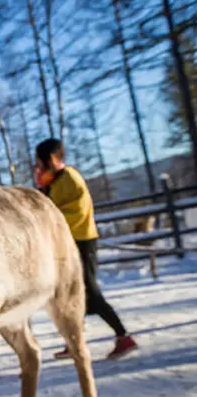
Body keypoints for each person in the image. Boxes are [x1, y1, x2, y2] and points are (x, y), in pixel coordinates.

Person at [34, 138, 138, 360]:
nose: (39, 167)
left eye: (41, 162)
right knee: (68, 292)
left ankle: (123, 335)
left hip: (82, 239)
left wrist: (51, 217)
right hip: (66, 241)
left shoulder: (70, 177)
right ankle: (74, 341)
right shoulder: (53, 182)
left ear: (52, 159)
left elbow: (76, 211)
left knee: (89, 289)